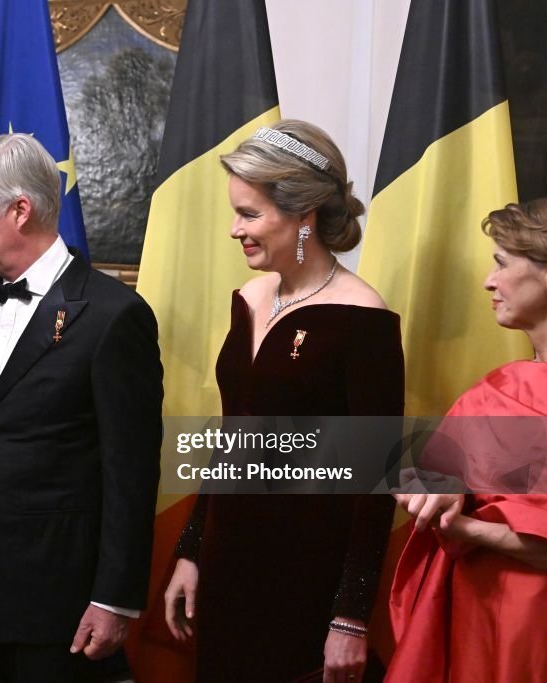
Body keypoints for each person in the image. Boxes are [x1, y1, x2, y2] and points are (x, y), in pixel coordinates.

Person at [0, 133, 163, 683]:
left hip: (53, 603)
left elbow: (132, 472)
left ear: (20, 210)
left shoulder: (114, 315)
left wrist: (115, 598)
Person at [163, 120, 405, 682]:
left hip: (306, 573)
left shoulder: (364, 318)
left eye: (249, 215)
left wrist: (350, 617)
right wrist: (192, 550)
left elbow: (376, 479)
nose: (234, 230)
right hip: (227, 562)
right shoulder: (249, 297)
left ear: (304, 215)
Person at [387, 197, 547, 682]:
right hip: (474, 616)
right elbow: (435, 482)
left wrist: (467, 528)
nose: (490, 281)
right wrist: (440, 491)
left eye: (502, 264)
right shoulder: (498, 388)